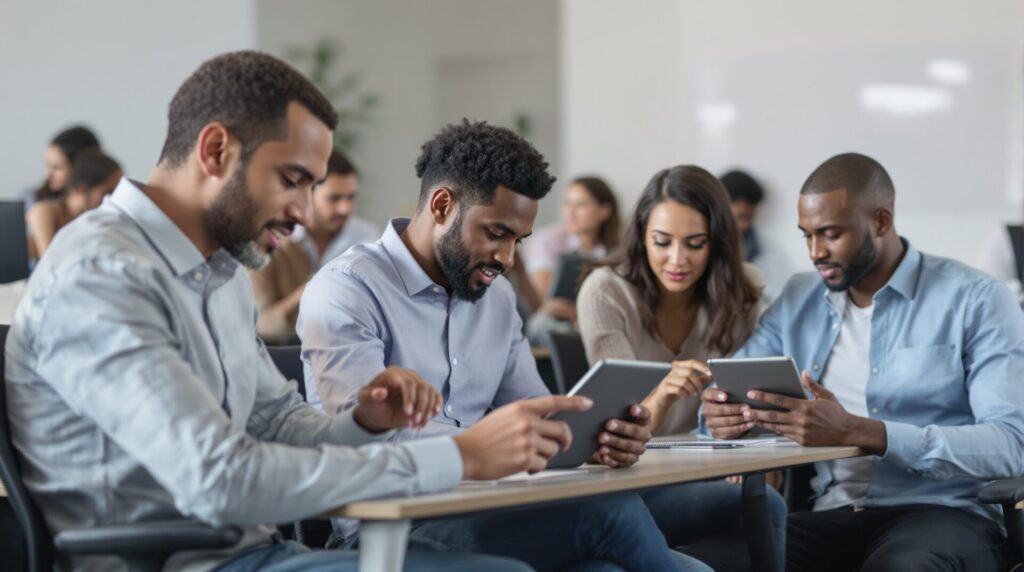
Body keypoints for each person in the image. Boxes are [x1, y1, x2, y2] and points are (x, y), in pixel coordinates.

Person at [4, 50, 609, 572]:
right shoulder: (103, 274)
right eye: (293, 179)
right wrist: (457, 455)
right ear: (216, 150)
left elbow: (277, 421)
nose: (304, 211)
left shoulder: (220, 276)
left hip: (250, 553)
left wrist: (365, 422)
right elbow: (218, 480)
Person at [297, 120, 706, 571]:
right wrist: (482, 447)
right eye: (496, 233)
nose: (508, 259)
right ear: (441, 205)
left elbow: (535, 410)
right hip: (395, 524)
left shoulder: (497, 298)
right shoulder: (346, 290)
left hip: (492, 504)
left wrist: (589, 439)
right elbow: (361, 439)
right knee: (612, 513)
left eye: (518, 240)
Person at [701, 152, 1024, 571]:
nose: (816, 252)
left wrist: (863, 431)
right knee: (701, 562)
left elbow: (1010, 446)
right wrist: (719, 416)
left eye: (831, 234)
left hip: (944, 514)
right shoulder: (800, 299)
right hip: (831, 512)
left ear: (882, 221)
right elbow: (726, 390)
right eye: (807, 235)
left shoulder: (975, 299)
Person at [576, 165, 786, 564]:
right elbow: (619, 431)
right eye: (662, 242)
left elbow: (761, 400)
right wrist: (664, 393)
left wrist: (749, 448)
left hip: (705, 472)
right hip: (632, 482)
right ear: (641, 237)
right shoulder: (605, 292)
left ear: (718, 243)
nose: (677, 259)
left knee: (767, 503)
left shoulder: (743, 286)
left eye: (695, 243)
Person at [250, 149, 379, 342]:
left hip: (348, 351)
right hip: (283, 356)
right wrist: (311, 290)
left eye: (351, 197)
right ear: (307, 195)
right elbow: (260, 326)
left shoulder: (366, 238)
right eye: (334, 198)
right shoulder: (269, 240)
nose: (345, 208)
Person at [520, 176, 621, 343]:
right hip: (552, 318)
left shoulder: (615, 250)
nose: (570, 212)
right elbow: (544, 299)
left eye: (581, 205)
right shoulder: (546, 240)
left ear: (604, 211)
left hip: (597, 316)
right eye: (567, 203)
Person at [26, 150, 121, 259]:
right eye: (108, 192)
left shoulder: (91, 223)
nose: (113, 199)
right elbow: (50, 264)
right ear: (81, 189)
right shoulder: (44, 211)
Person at [720, 169, 792, 302]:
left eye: (749, 218)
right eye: (740, 217)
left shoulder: (769, 253)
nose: (745, 226)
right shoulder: (703, 247)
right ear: (720, 209)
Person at [25, 125, 102, 207]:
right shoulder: (30, 199)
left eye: (57, 167)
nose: (48, 174)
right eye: (47, 165)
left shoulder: (102, 202)